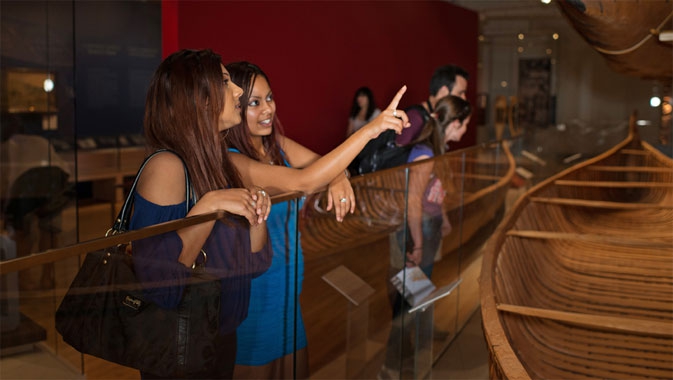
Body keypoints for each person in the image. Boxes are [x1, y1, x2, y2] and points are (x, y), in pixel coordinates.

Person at [224, 61, 410, 378]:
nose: (267, 108)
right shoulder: (232, 158)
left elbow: (323, 166)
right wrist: (370, 129)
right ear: (234, 107)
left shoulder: (276, 145)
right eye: (254, 103)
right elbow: (307, 180)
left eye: (269, 98)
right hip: (255, 297)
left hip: (289, 291)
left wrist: (336, 177)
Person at [128, 49, 274, 379]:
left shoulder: (218, 163)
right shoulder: (167, 167)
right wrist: (209, 206)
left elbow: (254, 264)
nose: (237, 90)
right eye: (224, 82)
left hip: (218, 338)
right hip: (177, 345)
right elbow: (161, 287)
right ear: (197, 99)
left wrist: (257, 214)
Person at [380, 95, 472, 380]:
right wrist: (418, 243)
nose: (465, 131)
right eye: (464, 125)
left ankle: (403, 362)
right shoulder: (425, 153)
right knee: (408, 304)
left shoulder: (434, 148)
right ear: (455, 123)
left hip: (427, 227)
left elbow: (434, 191)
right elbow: (413, 202)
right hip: (415, 232)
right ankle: (391, 367)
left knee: (414, 300)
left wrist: (442, 217)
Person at [396, 64, 469, 147]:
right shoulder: (415, 118)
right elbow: (396, 156)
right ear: (443, 91)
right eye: (460, 93)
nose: (464, 98)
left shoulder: (432, 117)